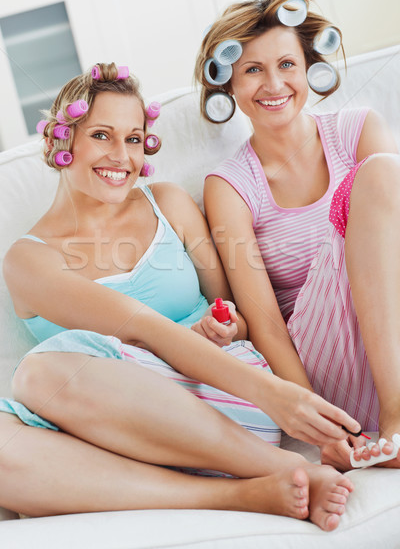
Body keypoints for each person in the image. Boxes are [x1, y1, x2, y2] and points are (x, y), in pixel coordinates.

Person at [0, 62, 360, 530]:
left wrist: (228, 328)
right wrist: (277, 394)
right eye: (102, 135)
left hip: (227, 395)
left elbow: (237, 318)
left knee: (41, 373)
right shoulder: (27, 259)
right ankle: (250, 491)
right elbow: (136, 325)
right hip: (108, 431)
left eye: (133, 139)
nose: (121, 156)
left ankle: (277, 469)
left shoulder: (168, 203)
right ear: (61, 141)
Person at [195, 0, 400, 472]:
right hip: (329, 357)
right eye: (252, 70)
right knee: (380, 174)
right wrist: (321, 425)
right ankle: (396, 416)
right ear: (229, 86)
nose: (273, 84)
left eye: (286, 64)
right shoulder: (229, 187)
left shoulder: (358, 127)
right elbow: (263, 322)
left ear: (309, 68)